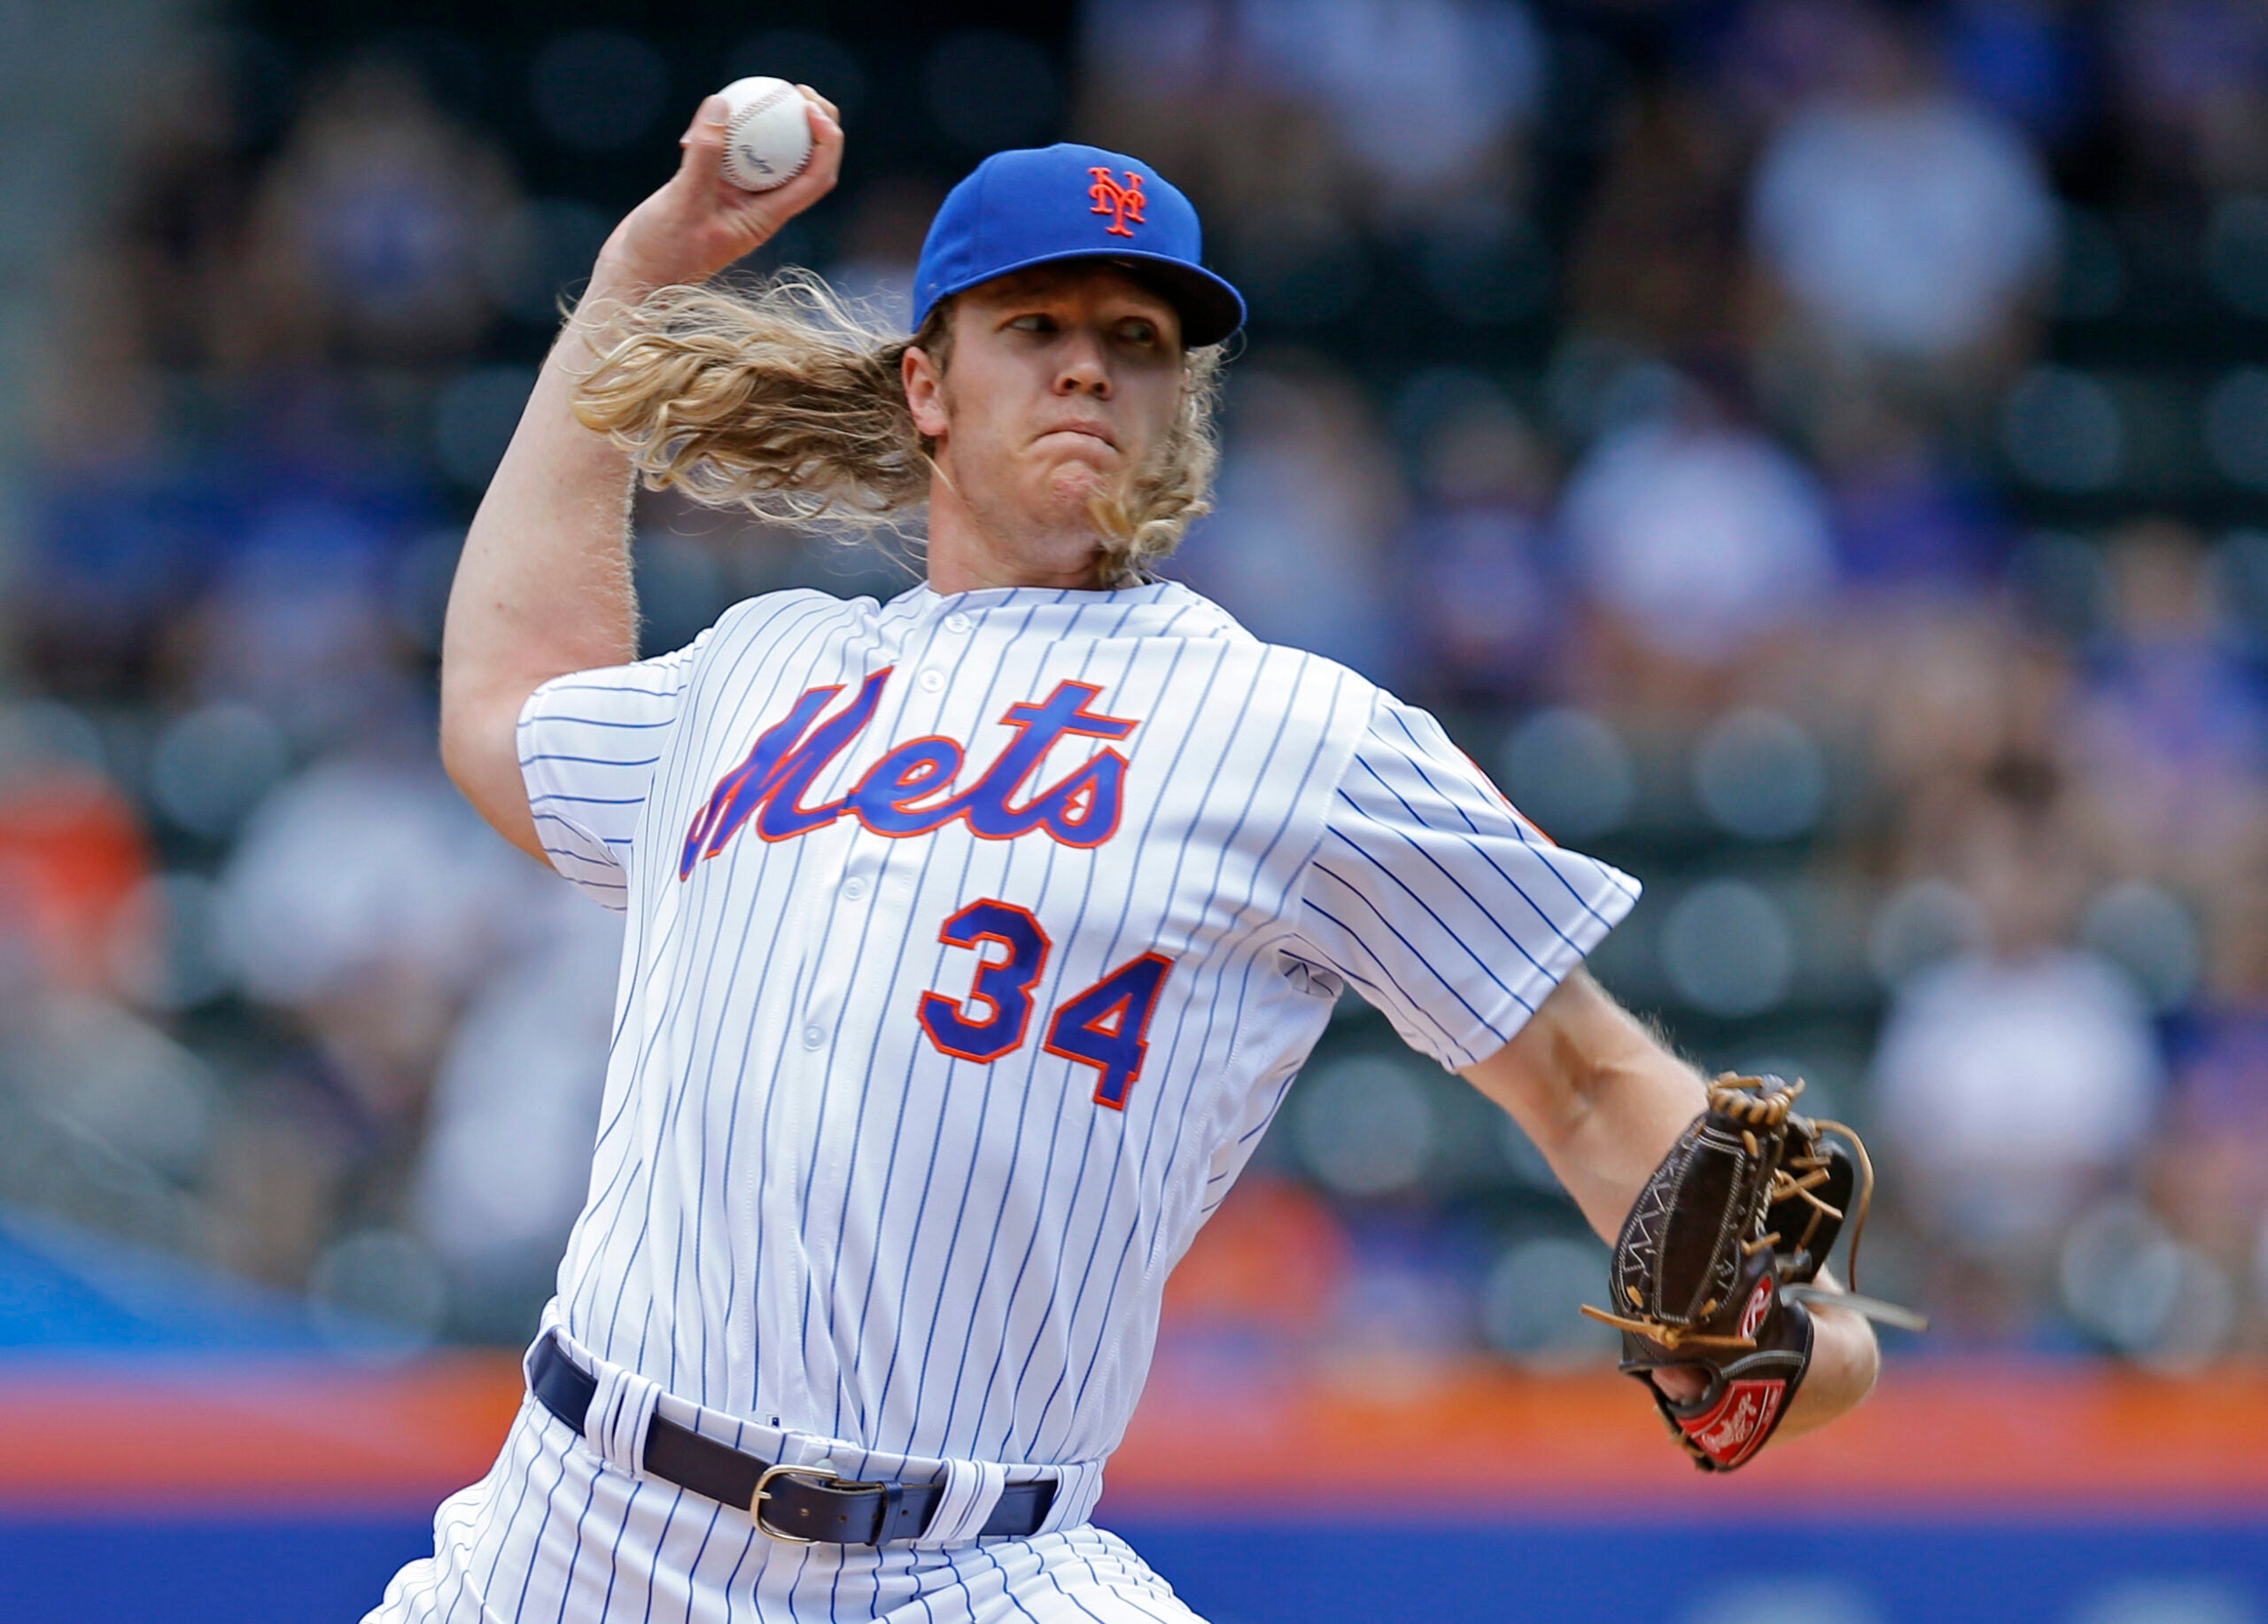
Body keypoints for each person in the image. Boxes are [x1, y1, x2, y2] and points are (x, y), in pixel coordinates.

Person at [370, 87, 1879, 1624]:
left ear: (1181, 408)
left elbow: (1573, 1068)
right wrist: (640, 275)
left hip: (968, 1564)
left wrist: (1776, 1294)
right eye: (1034, 324)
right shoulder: (762, 669)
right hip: (577, 1529)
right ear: (928, 387)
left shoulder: (1295, 732)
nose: (1090, 359)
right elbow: (508, 704)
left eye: (1141, 337)